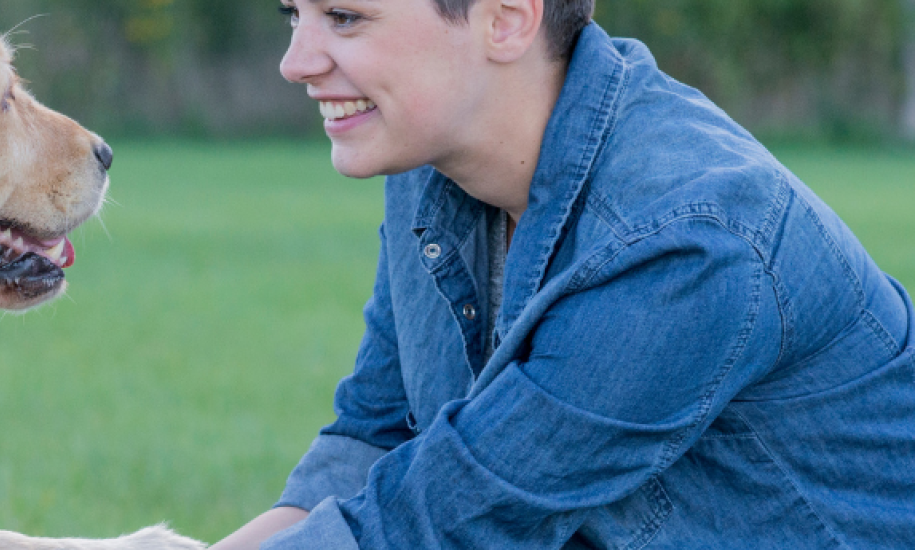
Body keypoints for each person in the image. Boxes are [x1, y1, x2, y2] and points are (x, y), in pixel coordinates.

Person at [212, 0, 915, 548]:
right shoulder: (429, 169)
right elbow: (376, 439)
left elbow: (450, 525)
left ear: (508, 19)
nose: (295, 61)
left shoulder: (685, 240)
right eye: (292, 16)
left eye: (344, 17)